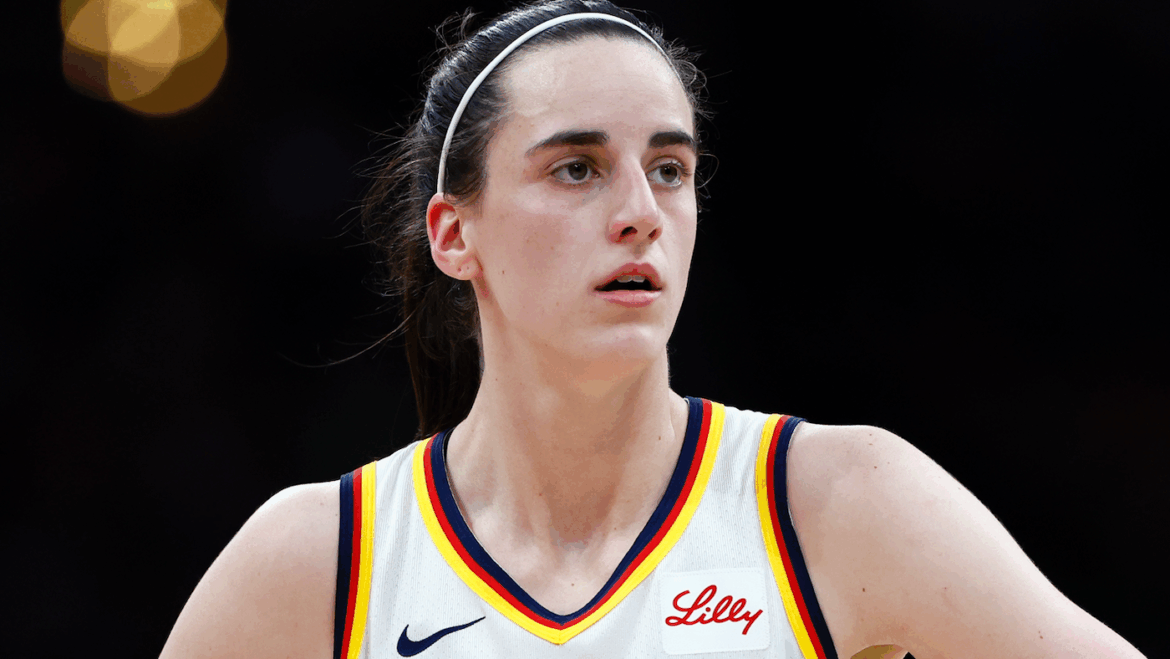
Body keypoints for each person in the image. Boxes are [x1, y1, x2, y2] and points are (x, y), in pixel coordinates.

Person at [159, 2, 1149, 658]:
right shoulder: (322, 559)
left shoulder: (835, 500)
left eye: (669, 168)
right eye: (577, 168)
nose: (641, 210)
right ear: (455, 234)